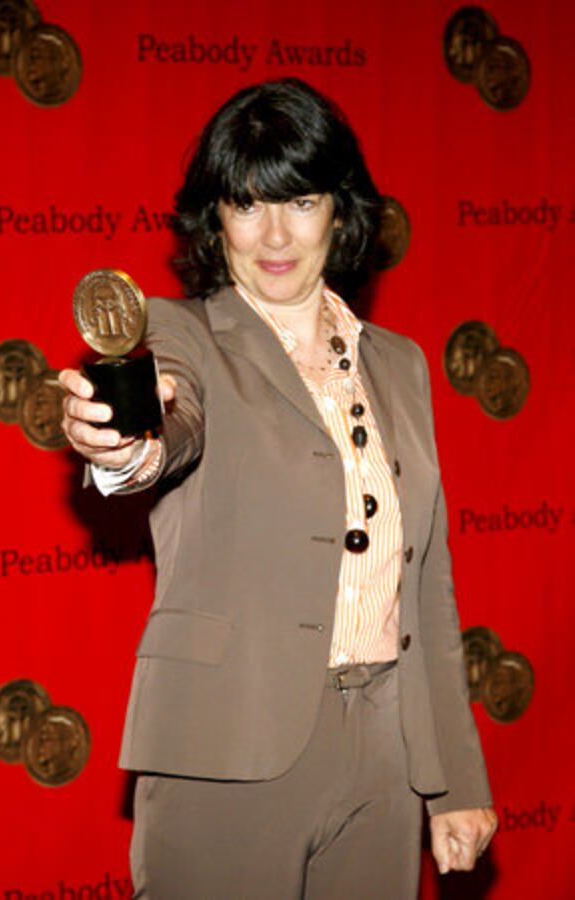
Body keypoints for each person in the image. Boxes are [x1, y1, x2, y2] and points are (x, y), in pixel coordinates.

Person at [60, 78, 497, 899]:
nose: (273, 234)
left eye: (298, 202)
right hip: (229, 745)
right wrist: (119, 444)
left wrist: (456, 781)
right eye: (244, 204)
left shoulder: (400, 364)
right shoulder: (178, 332)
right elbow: (167, 426)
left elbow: (425, 590)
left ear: (340, 210)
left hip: (384, 759)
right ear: (214, 217)